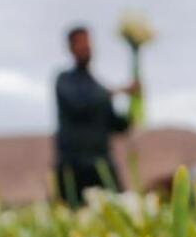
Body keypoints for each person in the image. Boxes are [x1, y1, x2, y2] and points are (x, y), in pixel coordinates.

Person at [54, 26, 138, 205]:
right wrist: (120, 90)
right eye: (81, 42)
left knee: (116, 208)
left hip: (101, 163)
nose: (86, 46)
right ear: (71, 48)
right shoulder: (63, 80)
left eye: (88, 42)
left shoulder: (98, 85)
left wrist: (133, 108)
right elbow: (79, 105)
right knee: (73, 212)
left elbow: (116, 125)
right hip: (73, 165)